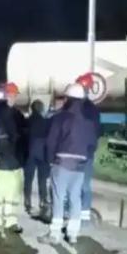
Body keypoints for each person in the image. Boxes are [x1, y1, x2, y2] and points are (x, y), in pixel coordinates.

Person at [39, 83, 98, 244]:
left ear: (69, 99)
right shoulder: (87, 122)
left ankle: (54, 233)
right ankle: (73, 233)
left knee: (58, 197)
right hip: (80, 164)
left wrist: (50, 160)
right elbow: (93, 144)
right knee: (75, 197)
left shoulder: (60, 118)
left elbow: (51, 141)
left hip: (61, 162)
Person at [0, 82, 26, 236]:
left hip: (14, 163)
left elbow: (24, 138)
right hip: (1, 162)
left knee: (12, 195)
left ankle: (10, 221)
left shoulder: (16, 115)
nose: (12, 97)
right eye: (10, 94)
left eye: (14, 94)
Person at [75, 73, 103, 227]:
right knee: (84, 185)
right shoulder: (93, 109)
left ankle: (75, 215)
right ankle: (83, 217)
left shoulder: (74, 107)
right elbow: (97, 131)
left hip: (76, 152)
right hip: (86, 152)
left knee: (76, 185)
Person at [23, 99, 51, 217]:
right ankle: (43, 201)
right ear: (41, 109)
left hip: (29, 153)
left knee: (28, 179)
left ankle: (27, 201)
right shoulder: (46, 122)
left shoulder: (26, 122)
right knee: (42, 180)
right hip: (42, 154)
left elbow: (22, 138)